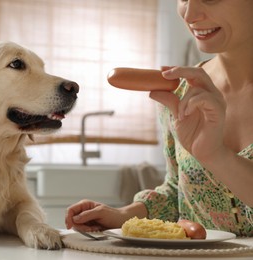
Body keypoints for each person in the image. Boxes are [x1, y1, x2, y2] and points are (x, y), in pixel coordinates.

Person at [65, 0, 253, 237]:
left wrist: (216, 156)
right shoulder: (183, 91)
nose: (190, 14)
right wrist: (124, 215)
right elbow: (179, 190)